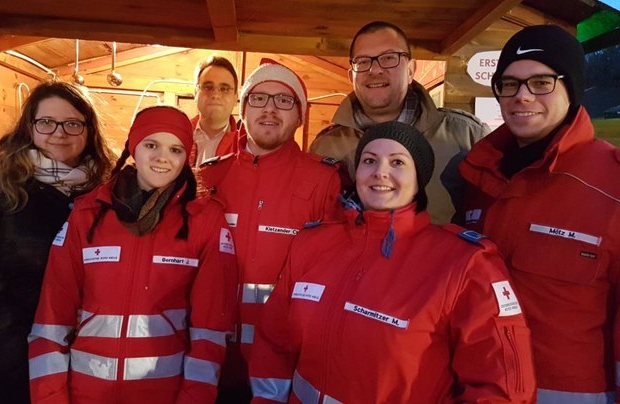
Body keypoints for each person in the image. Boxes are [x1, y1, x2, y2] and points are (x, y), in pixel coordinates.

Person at [250, 121, 536, 403]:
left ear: (418, 179)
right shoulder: (312, 244)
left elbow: (501, 389)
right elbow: (274, 340)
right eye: (369, 160)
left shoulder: (464, 265)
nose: (380, 172)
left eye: (397, 162)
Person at [28, 105, 238, 403]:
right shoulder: (88, 215)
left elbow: (210, 336)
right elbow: (50, 323)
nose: (162, 157)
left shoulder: (204, 222)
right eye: (151, 145)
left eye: (176, 149)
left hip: (163, 396)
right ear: (133, 148)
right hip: (86, 394)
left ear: (187, 158)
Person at [459, 25, 620, 403]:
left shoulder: (611, 184)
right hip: (477, 386)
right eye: (509, 84)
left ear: (572, 89)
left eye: (541, 82)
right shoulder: (478, 175)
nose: (522, 96)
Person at [199, 58, 341, 402]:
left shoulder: (323, 180)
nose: (270, 110)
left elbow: (331, 279)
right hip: (208, 360)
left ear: (300, 115)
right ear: (244, 108)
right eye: (259, 99)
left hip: (281, 366)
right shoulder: (207, 177)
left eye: (284, 100)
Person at [0, 80, 115, 404]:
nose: (59, 133)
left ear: (89, 130)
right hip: (9, 361)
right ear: (30, 126)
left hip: (85, 359)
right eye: (47, 122)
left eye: (72, 123)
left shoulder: (106, 189)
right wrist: (16, 353)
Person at [310, 21, 490, 225]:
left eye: (388, 58)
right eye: (363, 62)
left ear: (411, 69)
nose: (375, 70)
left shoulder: (466, 136)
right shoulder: (325, 146)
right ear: (352, 75)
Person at [192, 55, 240, 167]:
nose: (215, 95)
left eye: (224, 89)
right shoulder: (176, 139)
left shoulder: (246, 147)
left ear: (235, 98)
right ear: (195, 93)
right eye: (208, 87)